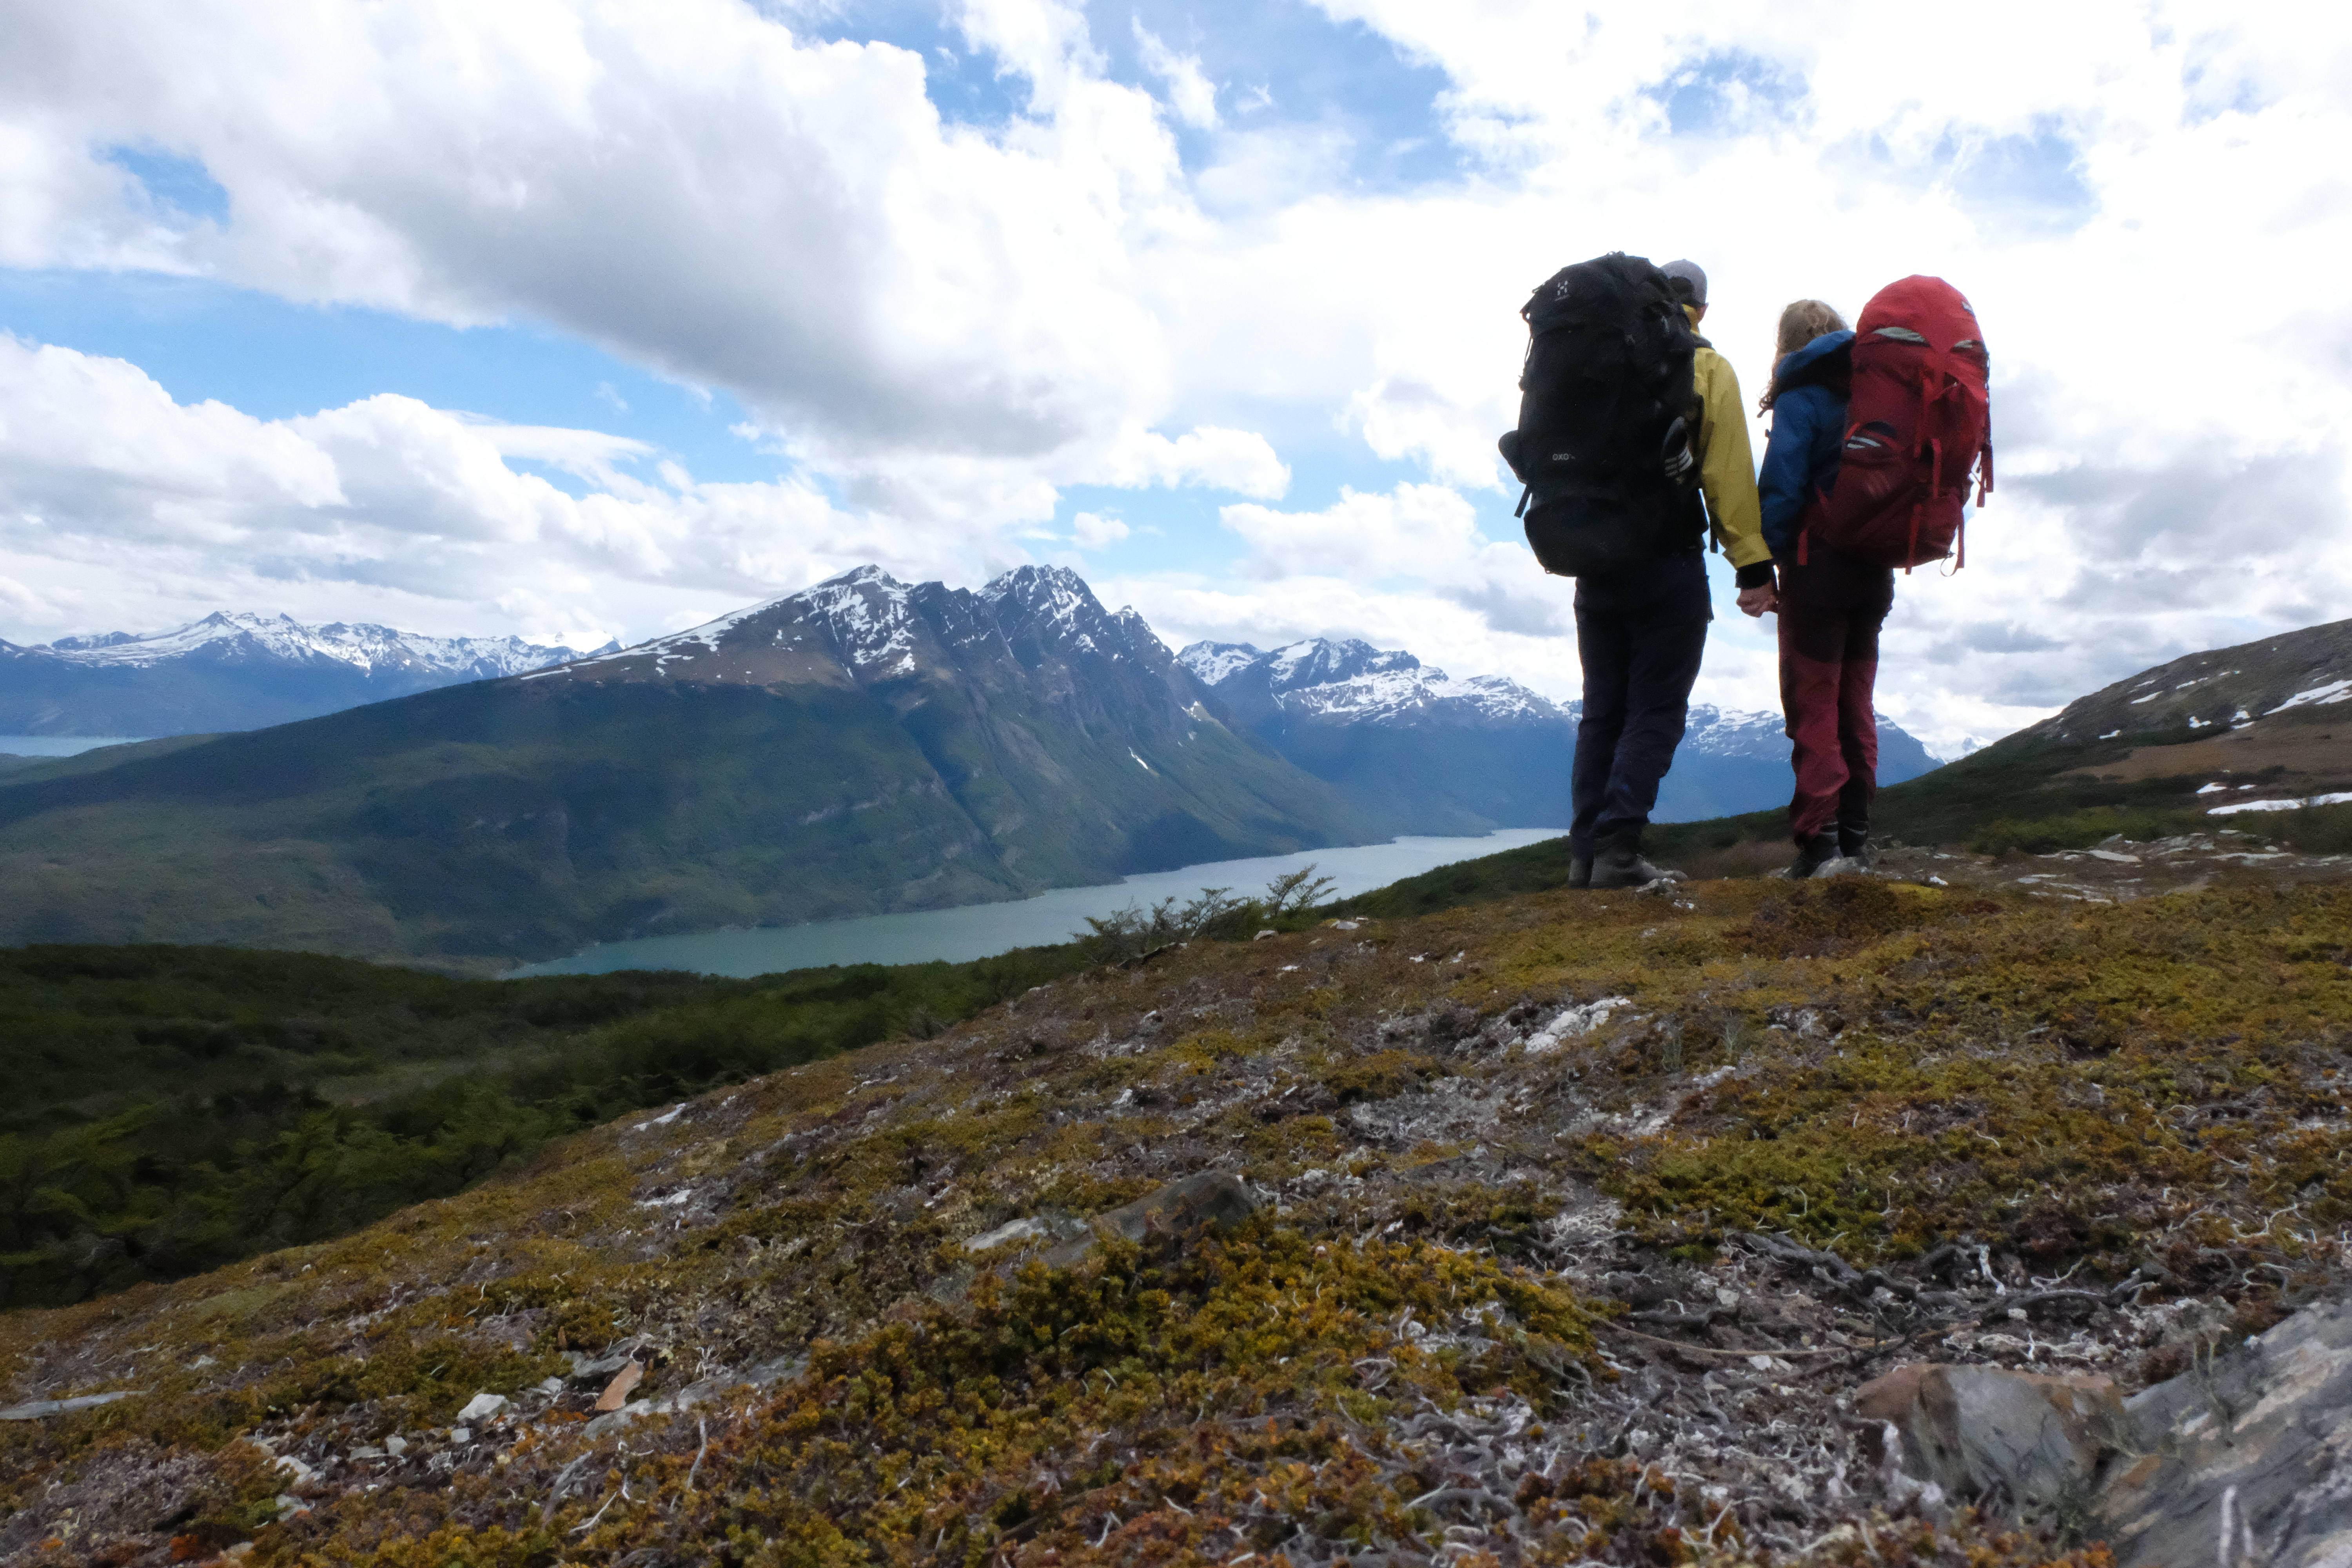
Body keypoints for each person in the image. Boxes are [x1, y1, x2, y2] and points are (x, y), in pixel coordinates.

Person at [1568, 258, 1778, 889]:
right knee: (1656, 709)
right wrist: (1753, 565)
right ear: (1702, 310)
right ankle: (1619, 852)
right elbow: (1729, 473)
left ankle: (1585, 857)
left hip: (1594, 563)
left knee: (1602, 710)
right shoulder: (1704, 366)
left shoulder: (1592, 356)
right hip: (1667, 561)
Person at [1754, 298, 1893, 877]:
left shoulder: (1800, 396)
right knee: (1855, 705)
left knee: (1812, 707)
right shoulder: (1874, 394)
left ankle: (1821, 845)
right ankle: (1857, 841)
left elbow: (1783, 486)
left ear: (1787, 344)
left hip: (1818, 576)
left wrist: (1768, 561)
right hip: (1874, 572)